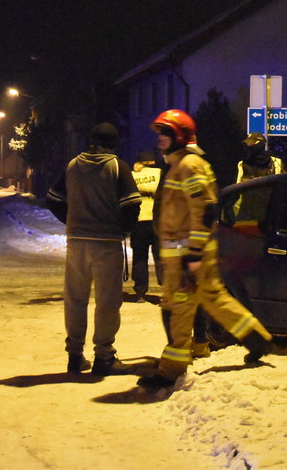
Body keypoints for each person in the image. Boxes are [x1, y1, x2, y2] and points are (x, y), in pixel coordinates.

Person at [138, 110, 273, 390]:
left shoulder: (189, 165)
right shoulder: (180, 164)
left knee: (176, 308)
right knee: (214, 299)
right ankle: (256, 337)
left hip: (188, 254)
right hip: (186, 253)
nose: (160, 139)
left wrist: (195, 254)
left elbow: (205, 209)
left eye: (165, 133)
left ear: (178, 136)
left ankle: (170, 370)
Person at [46, 122, 141, 376]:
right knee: (107, 301)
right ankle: (104, 356)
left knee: (75, 299)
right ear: (114, 143)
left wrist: (72, 221)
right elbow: (131, 204)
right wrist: (125, 229)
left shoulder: (73, 165)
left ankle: (75, 356)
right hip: (107, 242)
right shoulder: (117, 166)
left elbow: (53, 199)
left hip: (76, 242)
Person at [130, 150, 163, 302]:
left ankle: (140, 292)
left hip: (138, 221)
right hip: (157, 221)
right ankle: (167, 288)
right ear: (152, 161)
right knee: (161, 257)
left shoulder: (132, 176)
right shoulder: (159, 173)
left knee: (140, 257)